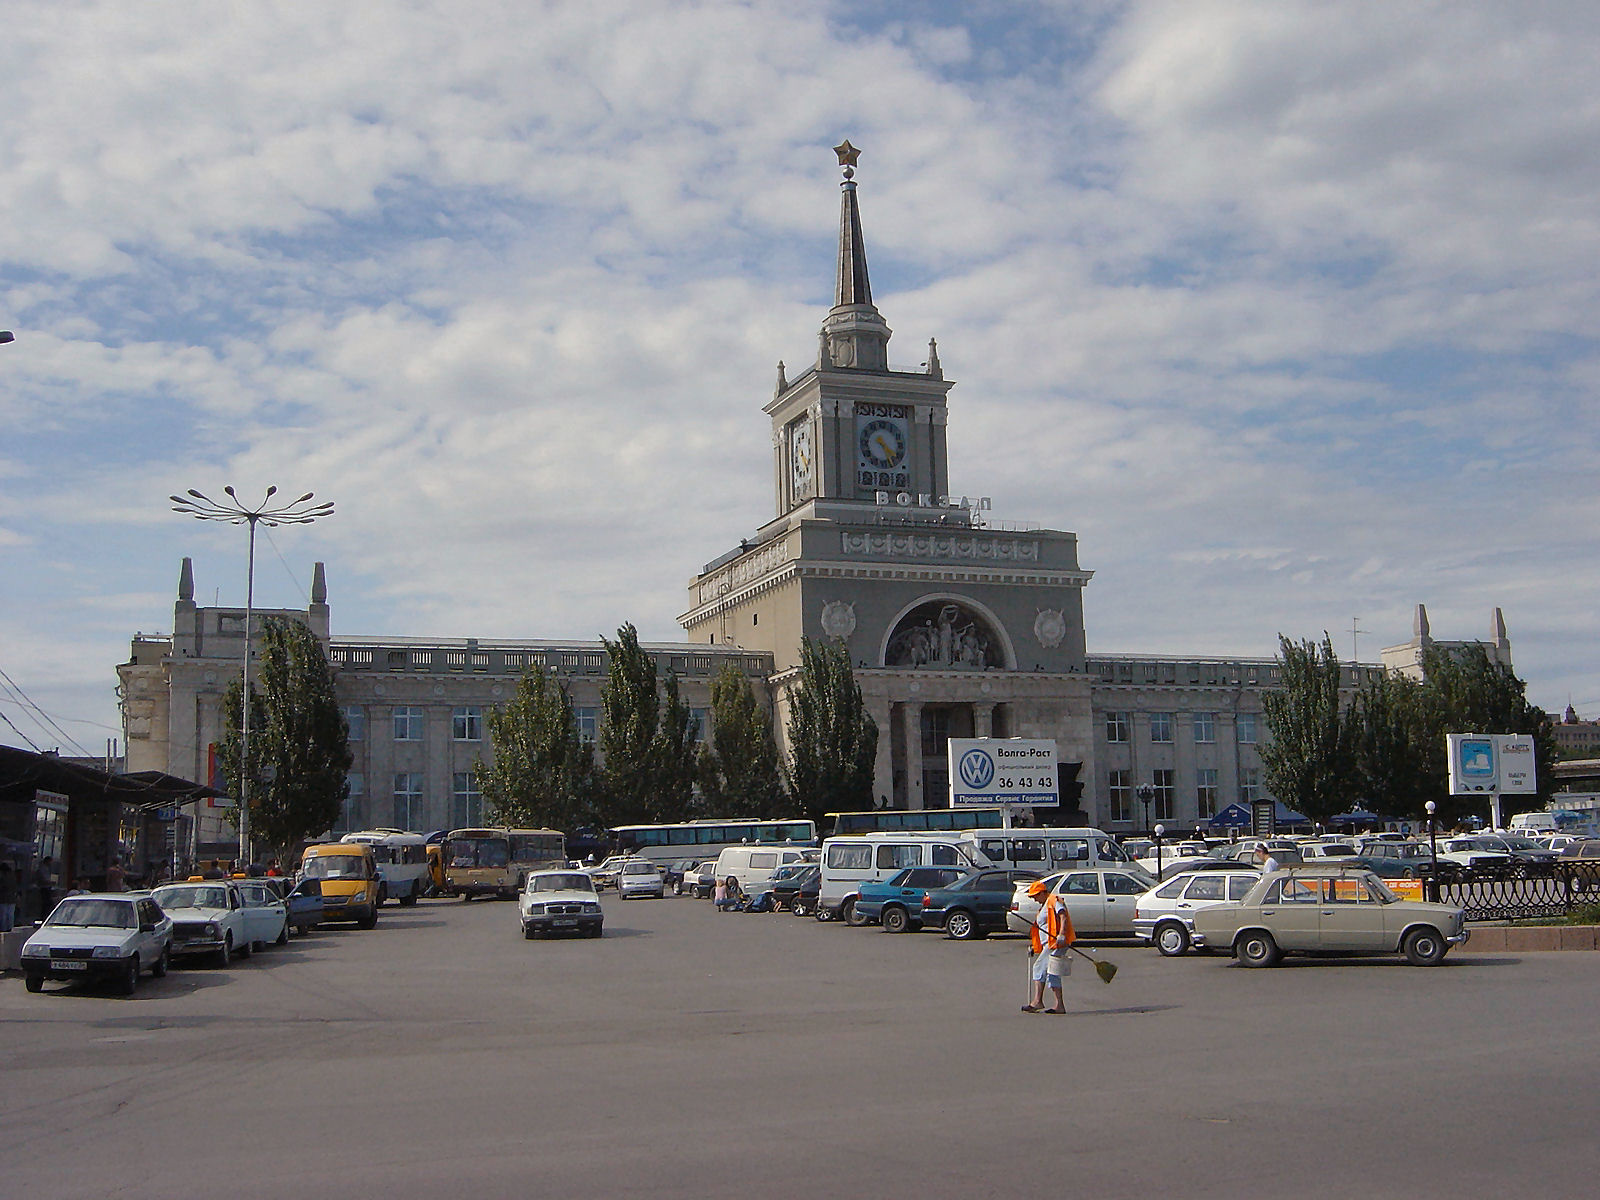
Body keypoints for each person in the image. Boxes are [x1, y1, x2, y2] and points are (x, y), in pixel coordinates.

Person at [1023, 879, 1075, 1014]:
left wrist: (1062, 935)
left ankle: (1038, 1002)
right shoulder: (1044, 905)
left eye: (1035, 896)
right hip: (1050, 944)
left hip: (1056, 943)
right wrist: (1034, 946)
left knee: (1040, 968)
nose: (1034, 899)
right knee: (1052, 972)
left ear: (1042, 893)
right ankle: (1058, 1005)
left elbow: (1062, 916)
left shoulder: (1054, 900)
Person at [0, 863, 17, 932]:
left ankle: (4, 929)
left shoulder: (2, 879)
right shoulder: (12, 878)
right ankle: (10, 928)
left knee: (3, 915)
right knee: (10, 915)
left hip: (3, 899)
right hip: (11, 899)